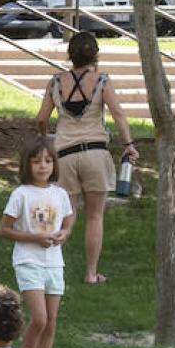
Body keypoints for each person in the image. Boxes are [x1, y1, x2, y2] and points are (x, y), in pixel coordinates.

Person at [34, 31, 138, 284]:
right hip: (95, 153)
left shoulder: (56, 82)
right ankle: (91, 273)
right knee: (95, 216)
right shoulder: (102, 80)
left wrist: (46, 138)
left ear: (70, 56)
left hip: (65, 155)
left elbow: (41, 118)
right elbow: (118, 115)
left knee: (61, 214)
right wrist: (129, 144)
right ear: (95, 55)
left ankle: (46, 270)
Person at [0, 135, 75, 348]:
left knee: (51, 322)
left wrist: (65, 232)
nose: (43, 166)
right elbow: (4, 229)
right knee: (39, 319)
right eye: (37, 161)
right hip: (28, 261)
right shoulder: (21, 194)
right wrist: (34, 238)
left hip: (54, 263)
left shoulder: (59, 194)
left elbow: (69, 217)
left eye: (48, 161)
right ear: (27, 165)